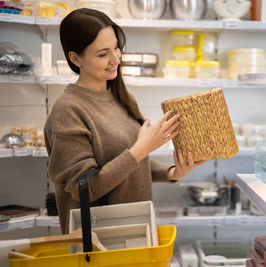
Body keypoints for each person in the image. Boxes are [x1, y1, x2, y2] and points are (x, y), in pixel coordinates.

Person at [44, 8, 205, 234]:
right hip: (102, 242)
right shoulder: (68, 110)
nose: (115, 59)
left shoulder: (119, 95)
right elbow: (86, 188)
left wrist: (171, 173)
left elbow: (127, 162)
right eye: (103, 54)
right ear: (75, 58)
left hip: (137, 231)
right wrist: (142, 148)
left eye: (117, 48)